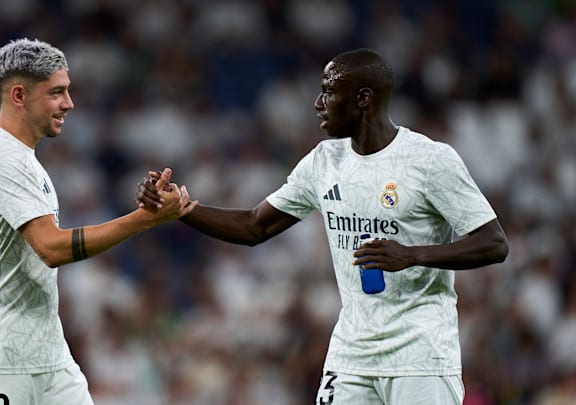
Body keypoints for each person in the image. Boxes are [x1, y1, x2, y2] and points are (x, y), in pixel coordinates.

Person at [136, 48, 509, 405]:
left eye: (329, 92)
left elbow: (493, 243)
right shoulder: (324, 161)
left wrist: (412, 255)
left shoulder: (430, 161)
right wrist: (182, 209)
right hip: (352, 354)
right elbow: (253, 226)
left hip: (420, 355)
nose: (318, 104)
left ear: (363, 98)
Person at [0, 38, 196, 405]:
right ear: (19, 95)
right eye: (56, 93)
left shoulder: (21, 158)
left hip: (45, 351)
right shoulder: (0, 157)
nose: (69, 103)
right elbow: (51, 247)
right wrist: (143, 220)